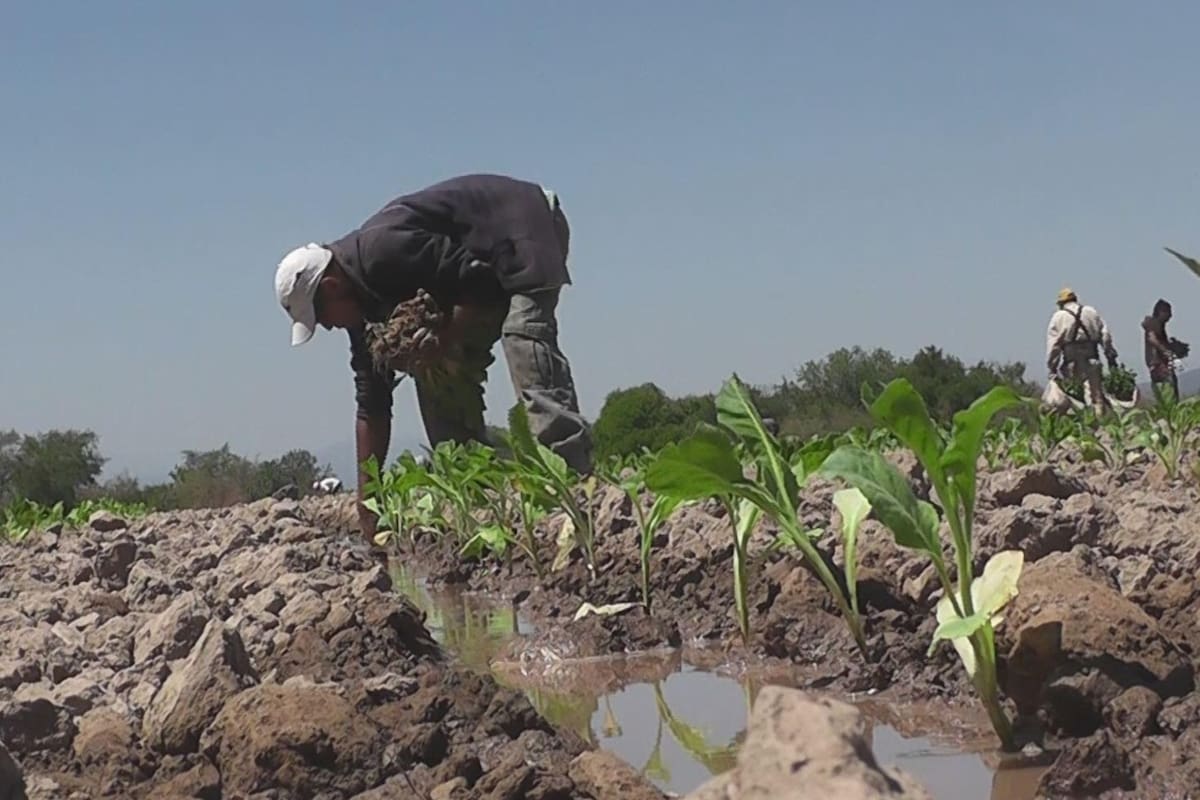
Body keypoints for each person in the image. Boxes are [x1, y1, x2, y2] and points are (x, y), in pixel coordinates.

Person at [274, 174, 593, 542]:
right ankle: (481, 499)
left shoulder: (384, 251)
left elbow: (481, 284)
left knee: (522, 334)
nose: (327, 327)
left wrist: (445, 338)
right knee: (435, 373)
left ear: (331, 288)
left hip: (524, 230)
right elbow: (372, 406)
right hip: (477, 276)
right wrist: (368, 504)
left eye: (322, 317)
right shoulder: (361, 310)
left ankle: (577, 478)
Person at [1045, 287, 1118, 414]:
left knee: (1075, 397)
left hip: (1071, 361)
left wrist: (1052, 367)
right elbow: (1105, 335)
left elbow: (1054, 345)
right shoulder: (1091, 311)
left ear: (1061, 303)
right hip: (1092, 357)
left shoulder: (1058, 316)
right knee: (1096, 396)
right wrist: (1109, 353)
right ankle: (1100, 424)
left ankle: (1084, 425)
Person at [1143, 299, 1182, 399]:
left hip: (1160, 364)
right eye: (1168, 312)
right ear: (1161, 312)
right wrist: (1167, 352)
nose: (1170, 315)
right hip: (1158, 364)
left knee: (1169, 392)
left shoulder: (1159, 326)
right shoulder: (1152, 323)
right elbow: (1152, 339)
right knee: (1168, 393)